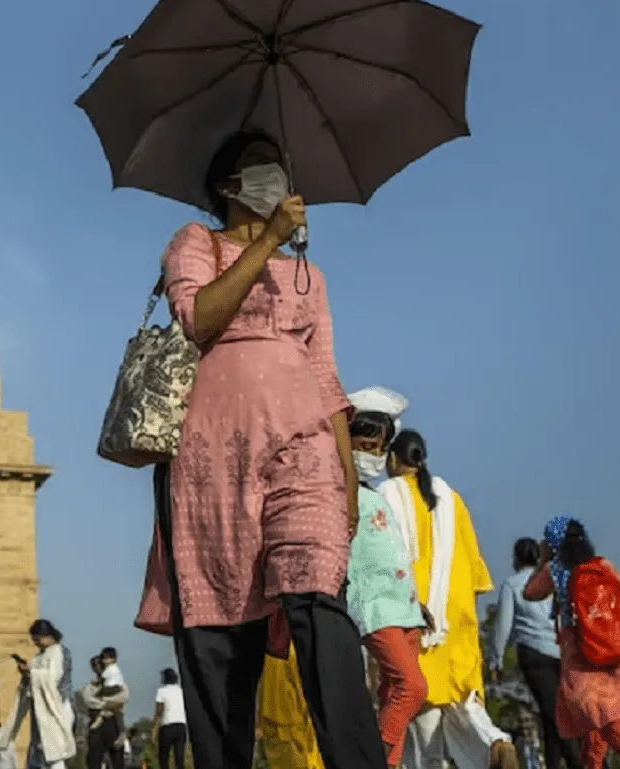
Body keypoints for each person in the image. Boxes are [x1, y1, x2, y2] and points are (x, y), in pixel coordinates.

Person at [134, 130, 385, 769]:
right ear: (227, 187)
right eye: (258, 166)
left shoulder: (309, 276)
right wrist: (268, 237)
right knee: (223, 638)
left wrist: (348, 476)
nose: (274, 174)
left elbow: (326, 374)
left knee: (319, 603)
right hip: (210, 465)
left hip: (303, 453)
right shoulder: (195, 244)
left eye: (279, 163)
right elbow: (198, 320)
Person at [381, 430, 517, 769]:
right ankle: (495, 743)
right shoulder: (451, 499)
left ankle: (487, 748)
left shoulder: (387, 495)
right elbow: (476, 574)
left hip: (416, 622)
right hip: (456, 625)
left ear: (394, 459)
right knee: (463, 706)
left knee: (421, 729)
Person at [344, 388, 432, 769]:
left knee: (391, 692)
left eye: (381, 450)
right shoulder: (339, 492)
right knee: (413, 687)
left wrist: (418, 603)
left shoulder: (374, 495)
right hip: (376, 607)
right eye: (366, 446)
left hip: (404, 607)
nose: (374, 457)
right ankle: (374, 758)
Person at [523, 517, 620, 769]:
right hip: (616, 647)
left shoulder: (556, 570)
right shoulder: (603, 565)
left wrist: (543, 560)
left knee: (601, 712)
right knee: (598, 713)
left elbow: (530, 593)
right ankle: (590, 764)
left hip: (580, 649)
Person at [488, 538, 581, 769]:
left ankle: (578, 763)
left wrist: (495, 659)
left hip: (533, 655)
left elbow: (503, 625)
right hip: (561, 653)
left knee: (554, 716)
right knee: (552, 715)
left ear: (516, 560)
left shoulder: (512, 584)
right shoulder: (552, 580)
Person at [0, 620, 75, 769]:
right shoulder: (38, 656)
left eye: (37, 639)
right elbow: (34, 679)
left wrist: (31, 672)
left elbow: (53, 678)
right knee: (39, 749)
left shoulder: (59, 651)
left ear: (47, 636)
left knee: (54, 751)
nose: (36, 643)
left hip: (57, 707)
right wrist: (27, 672)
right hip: (40, 709)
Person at [80, 655, 127, 769]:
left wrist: (105, 702)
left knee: (117, 759)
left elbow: (122, 698)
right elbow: (90, 701)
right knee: (94, 759)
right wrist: (108, 704)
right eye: (95, 665)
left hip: (113, 722)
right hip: (96, 722)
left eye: (101, 664)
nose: (99, 668)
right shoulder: (89, 687)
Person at [150, 669, 188, 769]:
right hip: (181, 726)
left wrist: (154, 728)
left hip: (167, 726)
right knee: (179, 757)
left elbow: (159, 711)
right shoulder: (181, 690)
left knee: (163, 756)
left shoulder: (161, 691)